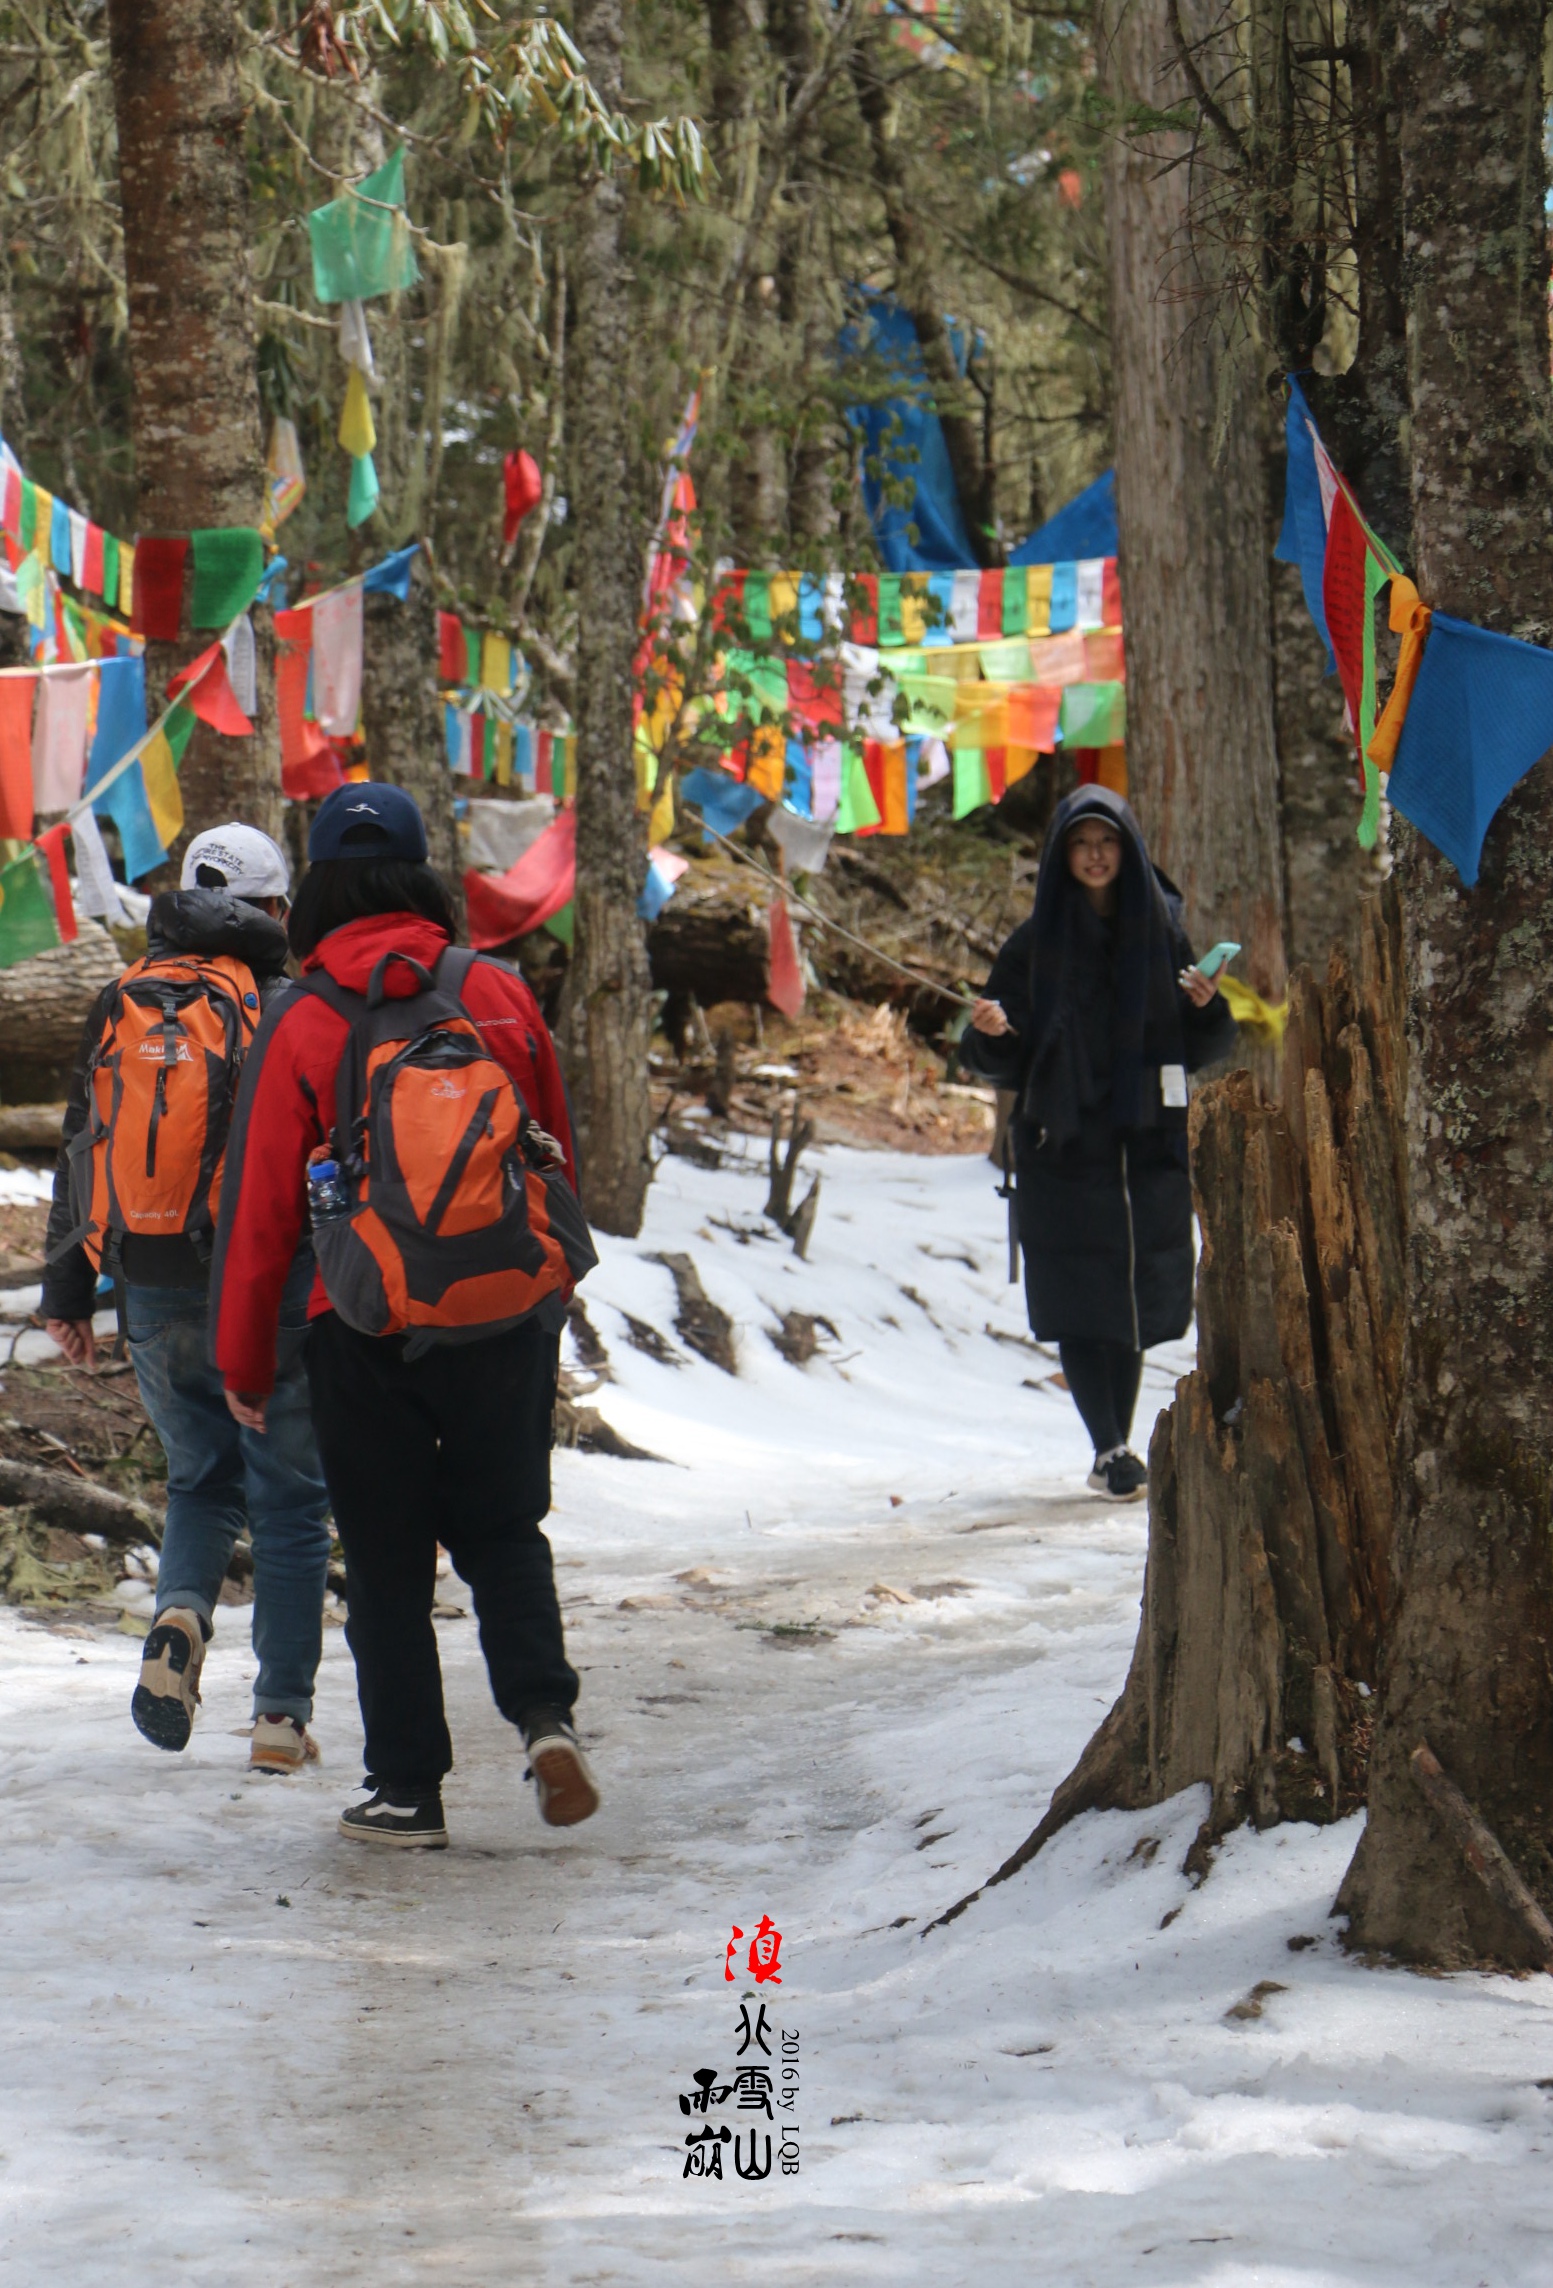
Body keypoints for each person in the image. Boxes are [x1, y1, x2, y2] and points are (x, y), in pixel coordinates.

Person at [209, 783, 599, 1851]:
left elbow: (258, 1217)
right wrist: (544, 1294)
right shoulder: (497, 992)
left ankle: (406, 1789)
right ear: (424, 872)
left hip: (360, 1322)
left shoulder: (300, 1016)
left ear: (318, 885)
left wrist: (243, 1362)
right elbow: (556, 1150)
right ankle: (543, 1716)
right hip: (503, 1310)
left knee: (385, 1562)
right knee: (505, 1528)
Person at [43, 824, 333, 1773]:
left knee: (200, 1483)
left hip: (148, 1274)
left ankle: (177, 1616)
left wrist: (68, 1290)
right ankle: (280, 1720)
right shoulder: (287, 1005)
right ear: (275, 910)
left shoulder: (123, 997)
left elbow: (80, 1145)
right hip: (269, 1287)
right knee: (288, 1502)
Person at [961, 784, 1236, 1498]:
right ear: (1061, 855)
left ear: (1127, 849)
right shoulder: (1033, 945)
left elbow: (1197, 1040)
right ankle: (1109, 1446)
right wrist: (990, 1033)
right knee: (1083, 1298)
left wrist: (1207, 1007)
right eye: (1080, 844)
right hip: (1064, 1148)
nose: (1093, 855)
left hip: (1147, 1145)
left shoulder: (1159, 935)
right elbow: (1000, 1051)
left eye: (1106, 842)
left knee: (1132, 1301)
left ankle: (1114, 1446)